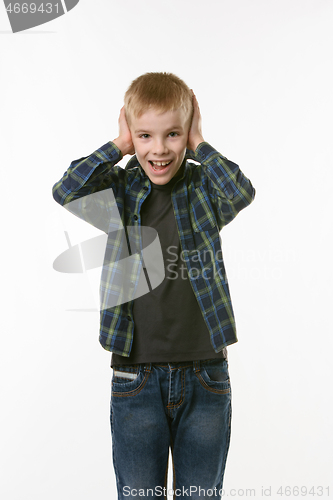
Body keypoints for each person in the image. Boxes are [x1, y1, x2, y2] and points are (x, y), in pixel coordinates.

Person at [52, 72, 255, 499]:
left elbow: (241, 191)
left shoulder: (203, 190)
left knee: (201, 495)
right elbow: (66, 189)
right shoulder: (118, 194)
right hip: (135, 378)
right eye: (144, 135)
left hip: (206, 376)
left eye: (173, 135)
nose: (159, 149)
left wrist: (201, 143)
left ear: (187, 133)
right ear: (130, 132)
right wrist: (118, 146)